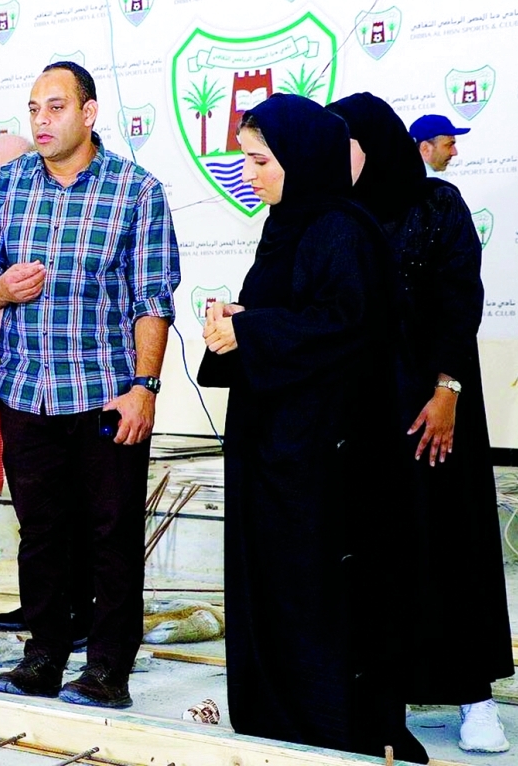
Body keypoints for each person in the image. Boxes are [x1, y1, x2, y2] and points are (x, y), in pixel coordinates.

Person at [198, 93, 426, 763]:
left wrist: (250, 332)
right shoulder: (289, 225)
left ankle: (325, 731)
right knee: (276, 590)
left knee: (316, 596)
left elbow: (346, 326)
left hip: (325, 459)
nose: (248, 174)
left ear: (301, 160)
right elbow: (299, 310)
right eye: (245, 159)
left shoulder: (339, 229)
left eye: (260, 160)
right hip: (279, 450)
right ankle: (281, 721)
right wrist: (241, 321)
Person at [0, 61, 179, 709]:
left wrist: (145, 386)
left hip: (106, 395)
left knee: (111, 536)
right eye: (34, 108)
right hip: (25, 390)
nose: (41, 120)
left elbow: (153, 300)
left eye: (55, 107)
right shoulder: (4, 186)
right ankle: (44, 656)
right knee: (42, 534)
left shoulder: (136, 191)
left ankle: (109, 670)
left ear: (88, 114)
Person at [328, 93, 513, 754]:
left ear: (375, 144)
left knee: (450, 545)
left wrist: (446, 389)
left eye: (348, 145)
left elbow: (459, 301)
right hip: (363, 413)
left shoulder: (437, 204)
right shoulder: (334, 215)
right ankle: (383, 698)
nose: (339, 158)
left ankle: (475, 698)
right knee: (378, 557)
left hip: (437, 408)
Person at [0, 134, 92, 650]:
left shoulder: (73, 216)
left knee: (82, 513)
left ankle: (82, 614)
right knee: (37, 514)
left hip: (80, 387)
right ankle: (42, 608)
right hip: (21, 384)